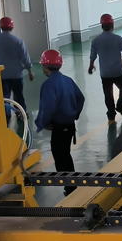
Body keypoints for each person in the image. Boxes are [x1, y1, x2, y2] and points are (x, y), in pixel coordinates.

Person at [36, 49, 85, 183]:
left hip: (59, 127)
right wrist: (74, 114)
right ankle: (71, 185)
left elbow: (48, 107)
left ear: (44, 66)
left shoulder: (49, 84)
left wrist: (43, 123)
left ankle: (70, 187)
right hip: (69, 126)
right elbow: (80, 98)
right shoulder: (68, 80)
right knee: (65, 155)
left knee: (61, 157)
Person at [89, 13, 122, 123]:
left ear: (102, 26)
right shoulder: (118, 39)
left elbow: (93, 55)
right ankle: (121, 105)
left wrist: (91, 66)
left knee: (108, 94)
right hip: (118, 72)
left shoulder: (96, 40)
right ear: (112, 25)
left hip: (105, 74)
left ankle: (111, 113)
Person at [0, 17, 34, 124]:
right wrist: (30, 71)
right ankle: (21, 114)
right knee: (18, 96)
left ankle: (5, 116)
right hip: (16, 75)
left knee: (4, 97)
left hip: (0, 75)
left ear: (0, 27)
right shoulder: (18, 41)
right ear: (12, 27)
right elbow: (25, 58)